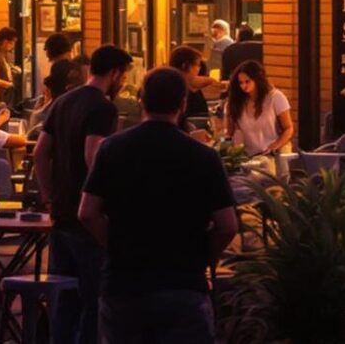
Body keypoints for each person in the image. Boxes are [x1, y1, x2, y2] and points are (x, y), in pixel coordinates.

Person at [81, 66, 240, 343]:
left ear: (141, 100)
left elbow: (87, 213)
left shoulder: (112, 149)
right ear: (183, 103)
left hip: (124, 284)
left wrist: (116, 244)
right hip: (183, 286)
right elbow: (227, 225)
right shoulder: (203, 157)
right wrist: (202, 255)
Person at [36, 43, 132, 344]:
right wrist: (107, 199)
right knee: (93, 299)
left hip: (61, 213)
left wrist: (49, 194)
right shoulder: (103, 107)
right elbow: (94, 155)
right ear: (115, 73)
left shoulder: (63, 102)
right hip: (87, 216)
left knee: (64, 299)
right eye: (125, 76)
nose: (125, 83)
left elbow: (40, 153)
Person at [218, 58, 294, 157]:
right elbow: (229, 134)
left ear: (257, 80)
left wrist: (274, 146)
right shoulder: (234, 102)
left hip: (274, 152)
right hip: (248, 156)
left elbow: (288, 128)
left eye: (247, 81)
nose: (243, 86)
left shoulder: (275, 97)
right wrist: (220, 145)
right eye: (240, 83)